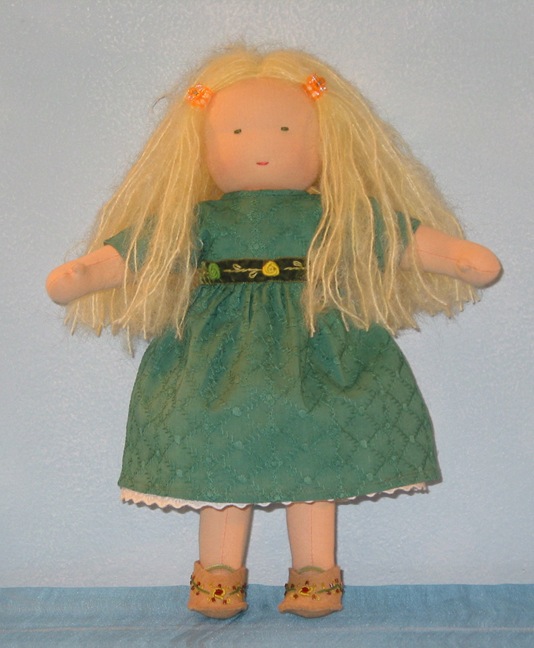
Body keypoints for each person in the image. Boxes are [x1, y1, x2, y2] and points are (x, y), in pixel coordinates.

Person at [46, 46, 501, 618]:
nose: (261, 144)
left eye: (285, 129)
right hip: (215, 364)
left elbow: (392, 237)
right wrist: (85, 273)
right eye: (236, 131)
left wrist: (459, 258)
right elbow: (142, 249)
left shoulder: (332, 214)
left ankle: (314, 577)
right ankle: (218, 579)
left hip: (319, 352)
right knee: (221, 461)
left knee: (315, 457)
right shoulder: (199, 220)